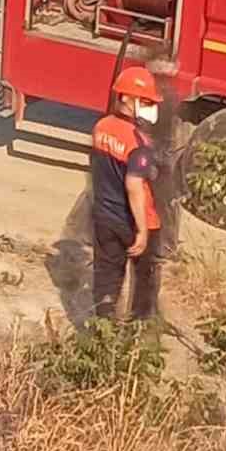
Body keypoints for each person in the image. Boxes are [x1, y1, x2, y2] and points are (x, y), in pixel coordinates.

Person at [90, 65, 163, 322]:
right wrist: (142, 230)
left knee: (106, 276)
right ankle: (138, 331)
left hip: (103, 217)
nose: (149, 107)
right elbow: (134, 186)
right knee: (144, 280)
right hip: (134, 221)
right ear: (125, 98)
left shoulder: (101, 127)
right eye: (144, 101)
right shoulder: (138, 143)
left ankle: (102, 328)